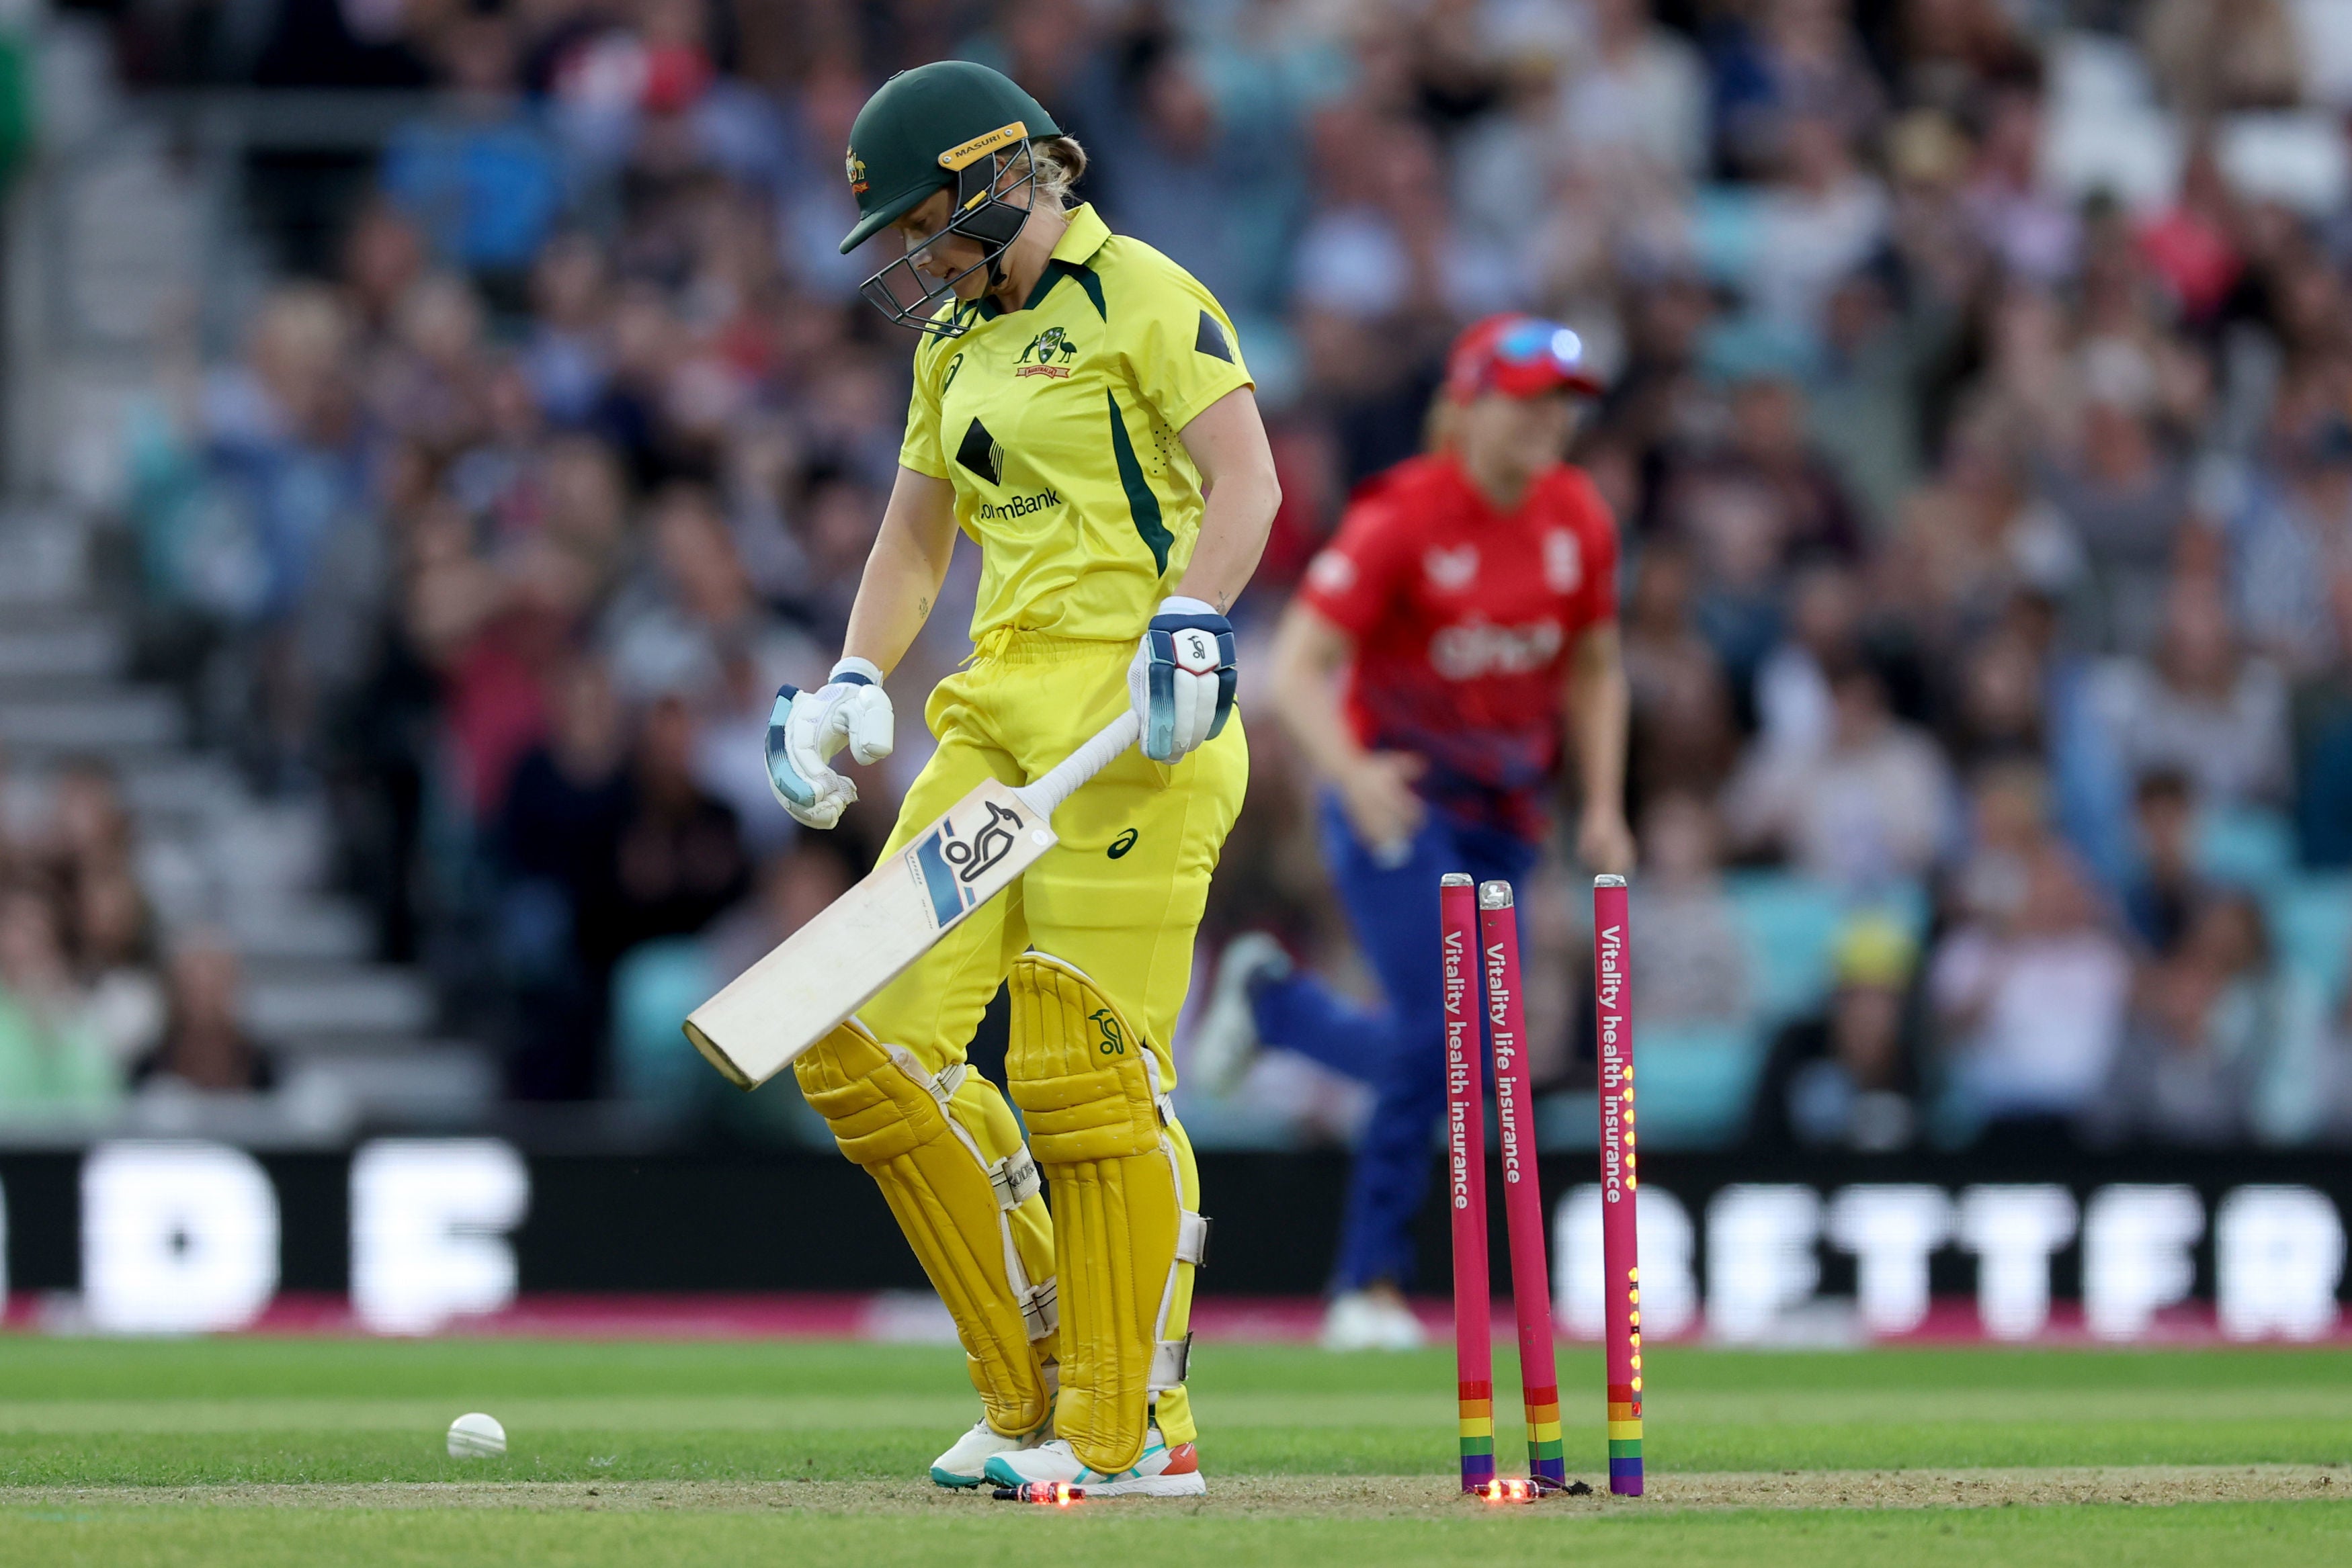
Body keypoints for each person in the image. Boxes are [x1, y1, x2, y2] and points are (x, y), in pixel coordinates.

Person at [779, 62, 1277, 1498]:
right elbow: (912, 542)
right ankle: (1035, 1392)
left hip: (1138, 729)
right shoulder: (952, 342)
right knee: (857, 1036)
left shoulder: (1148, 296)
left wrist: (1195, 618)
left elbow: (1246, 484)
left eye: (934, 223)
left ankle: (1135, 1437)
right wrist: (855, 681)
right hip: (997, 728)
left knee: (1082, 1075)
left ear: (1006, 175)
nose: (923, 260)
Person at [1189, 313, 1631, 1350]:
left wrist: (1604, 803)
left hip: (1505, 821)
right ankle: (1367, 1285)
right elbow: (1295, 664)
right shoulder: (1404, 516)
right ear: (1467, 404)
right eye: (1526, 400)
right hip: (1398, 803)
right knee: (1450, 1035)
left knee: (1481, 1054)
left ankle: (1277, 1006)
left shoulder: (1578, 517)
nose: (1548, 423)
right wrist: (1350, 771)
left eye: (1562, 404)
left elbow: (1599, 666)